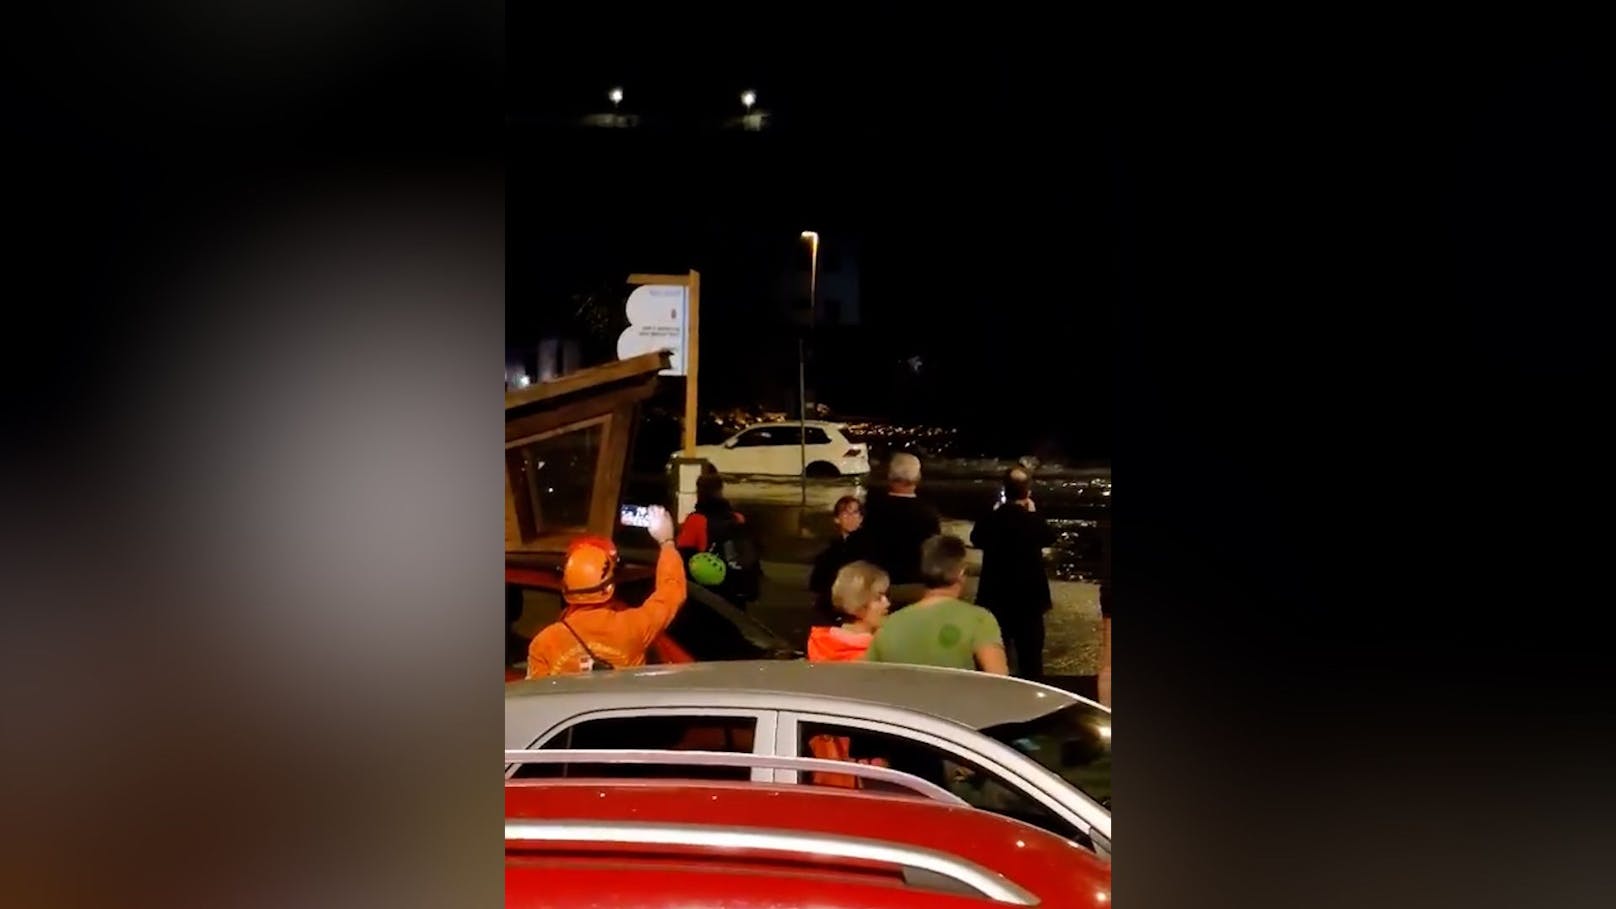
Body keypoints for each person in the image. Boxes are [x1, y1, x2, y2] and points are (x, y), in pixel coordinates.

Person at [525, 505, 686, 677]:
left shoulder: (544, 644)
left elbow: (534, 697)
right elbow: (671, 592)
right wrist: (666, 542)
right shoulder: (632, 627)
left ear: (566, 589)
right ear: (609, 587)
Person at [863, 534, 1008, 674]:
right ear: (961, 573)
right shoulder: (979, 620)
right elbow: (1000, 684)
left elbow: (866, 680)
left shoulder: (889, 625)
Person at [970, 466, 1057, 679]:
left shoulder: (992, 519)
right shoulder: (1032, 520)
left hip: (996, 597)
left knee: (997, 657)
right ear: (1027, 492)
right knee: (1031, 660)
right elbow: (1049, 537)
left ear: (1005, 490)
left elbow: (976, 538)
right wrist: (1034, 513)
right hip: (1029, 599)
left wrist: (996, 510)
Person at [851, 452, 941, 605]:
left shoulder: (873, 510)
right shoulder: (928, 513)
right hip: (915, 586)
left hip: (878, 586)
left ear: (890, 476)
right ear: (917, 478)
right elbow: (934, 553)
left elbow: (861, 547)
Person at [676, 473, 760, 605]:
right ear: (720, 490)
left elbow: (682, 557)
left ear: (699, 492)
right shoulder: (737, 518)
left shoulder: (696, 520)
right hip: (735, 587)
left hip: (709, 592)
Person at [807, 560, 891, 662]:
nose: (887, 603)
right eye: (878, 597)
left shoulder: (819, 643)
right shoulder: (882, 653)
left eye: (886, 596)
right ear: (859, 601)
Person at [808, 495, 864, 622]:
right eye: (846, 514)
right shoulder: (831, 550)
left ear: (861, 518)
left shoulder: (865, 547)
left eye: (855, 513)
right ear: (837, 519)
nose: (851, 518)